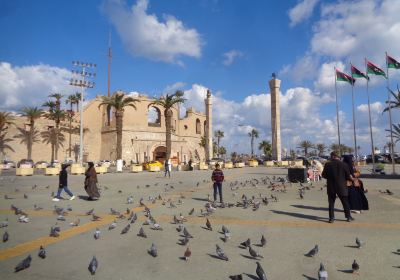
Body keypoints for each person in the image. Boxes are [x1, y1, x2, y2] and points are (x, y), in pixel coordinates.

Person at [321, 151, 354, 223]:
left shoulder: (327, 165)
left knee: (331, 203)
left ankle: (331, 218)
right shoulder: (344, 164)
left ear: (332, 156)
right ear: (338, 156)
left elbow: (323, 175)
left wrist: (330, 177)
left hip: (331, 186)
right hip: (342, 186)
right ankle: (348, 217)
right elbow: (348, 176)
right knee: (345, 202)